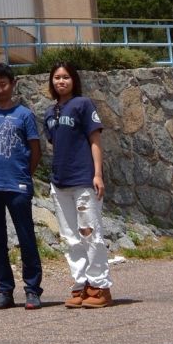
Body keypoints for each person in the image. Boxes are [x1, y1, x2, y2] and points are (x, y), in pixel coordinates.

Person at [0, 61, 44, 310]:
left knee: (26, 237)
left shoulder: (24, 115)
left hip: (17, 186)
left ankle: (32, 289)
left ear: (13, 84)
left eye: (3, 84)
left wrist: (24, 175)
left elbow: (35, 150)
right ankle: (4, 290)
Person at [44, 60, 112, 308]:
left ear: (74, 80)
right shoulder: (49, 113)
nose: (61, 81)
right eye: (57, 77)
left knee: (90, 233)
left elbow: (95, 140)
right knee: (70, 237)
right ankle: (80, 284)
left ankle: (100, 286)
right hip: (60, 182)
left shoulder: (83, 104)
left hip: (83, 179)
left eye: (66, 77)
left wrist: (98, 174)